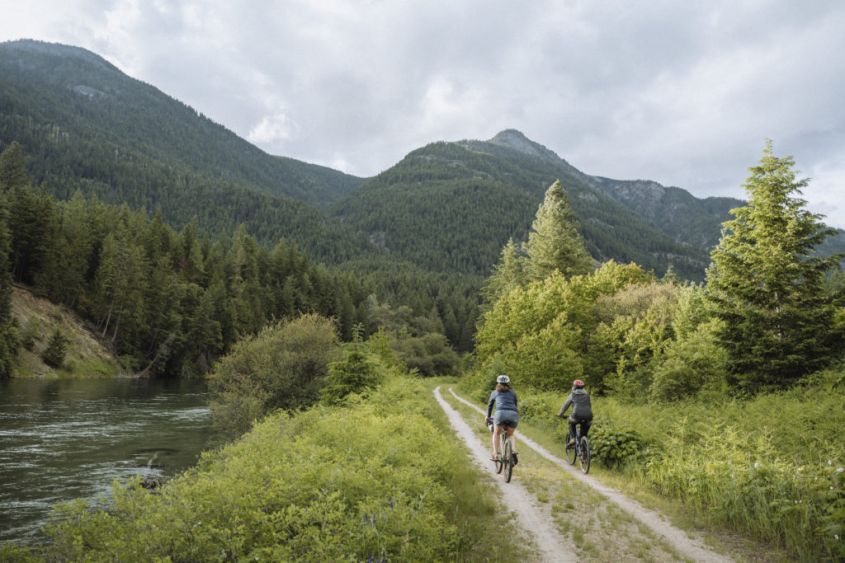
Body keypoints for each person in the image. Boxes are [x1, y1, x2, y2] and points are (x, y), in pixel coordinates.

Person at [486, 374, 519, 465]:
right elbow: (515, 405)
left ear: (498, 383)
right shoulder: (513, 393)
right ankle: (513, 451)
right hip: (513, 414)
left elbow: (490, 405)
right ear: (508, 384)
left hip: (500, 414)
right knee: (511, 434)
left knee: (496, 433)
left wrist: (487, 416)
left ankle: (495, 454)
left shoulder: (494, 392)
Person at [557, 379, 592, 452]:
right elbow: (589, 406)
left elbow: (565, 405)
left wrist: (560, 414)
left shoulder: (572, 395)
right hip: (588, 416)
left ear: (574, 387)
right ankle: (584, 453)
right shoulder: (587, 395)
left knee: (571, 422)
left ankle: (573, 439)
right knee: (584, 435)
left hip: (576, 415)